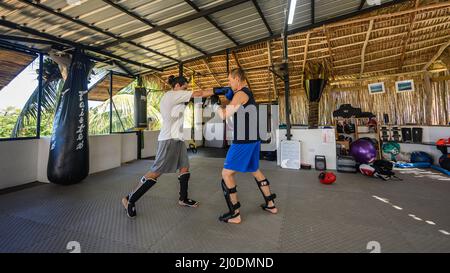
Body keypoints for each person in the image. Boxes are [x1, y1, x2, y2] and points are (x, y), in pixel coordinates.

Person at [122, 75, 215, 218]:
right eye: (184, 87)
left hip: (178, 139)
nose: (186, 90)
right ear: (177, 86)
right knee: (156, 172)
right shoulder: (171, 95)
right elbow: (199, 93)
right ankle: (130, 199)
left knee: (185, 168)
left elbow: (193, 101)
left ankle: (183, 199)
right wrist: (219, 90)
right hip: (168, 140)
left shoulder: (177, 98)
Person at [213, 68, 278, 224]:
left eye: (230, 80)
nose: (229, 83)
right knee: (255, 170)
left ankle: (235, 214)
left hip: (244, 142)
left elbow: (223, 115)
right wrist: (229, 97)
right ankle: (271, 204)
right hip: (253, 139)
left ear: (237, 79)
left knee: (226, 174)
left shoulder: (240, 94)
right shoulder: (247, 93)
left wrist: (215, 105)